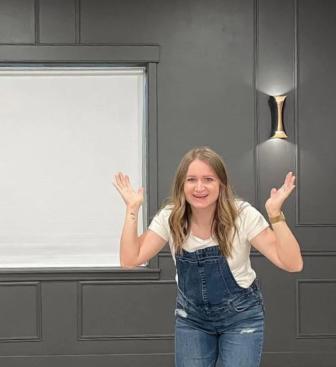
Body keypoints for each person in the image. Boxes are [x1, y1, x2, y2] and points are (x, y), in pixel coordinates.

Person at [113, 146, 303, 367]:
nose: (199, 187)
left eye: (208, 179)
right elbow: (130, 259)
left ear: (221, 183)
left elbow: (292, 263)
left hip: (241, 317)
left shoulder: (242, 215)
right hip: (192, 319)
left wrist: (275, 214)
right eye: (191, 179)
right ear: (181, 185)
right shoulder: (170, 217)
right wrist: (132, 209)